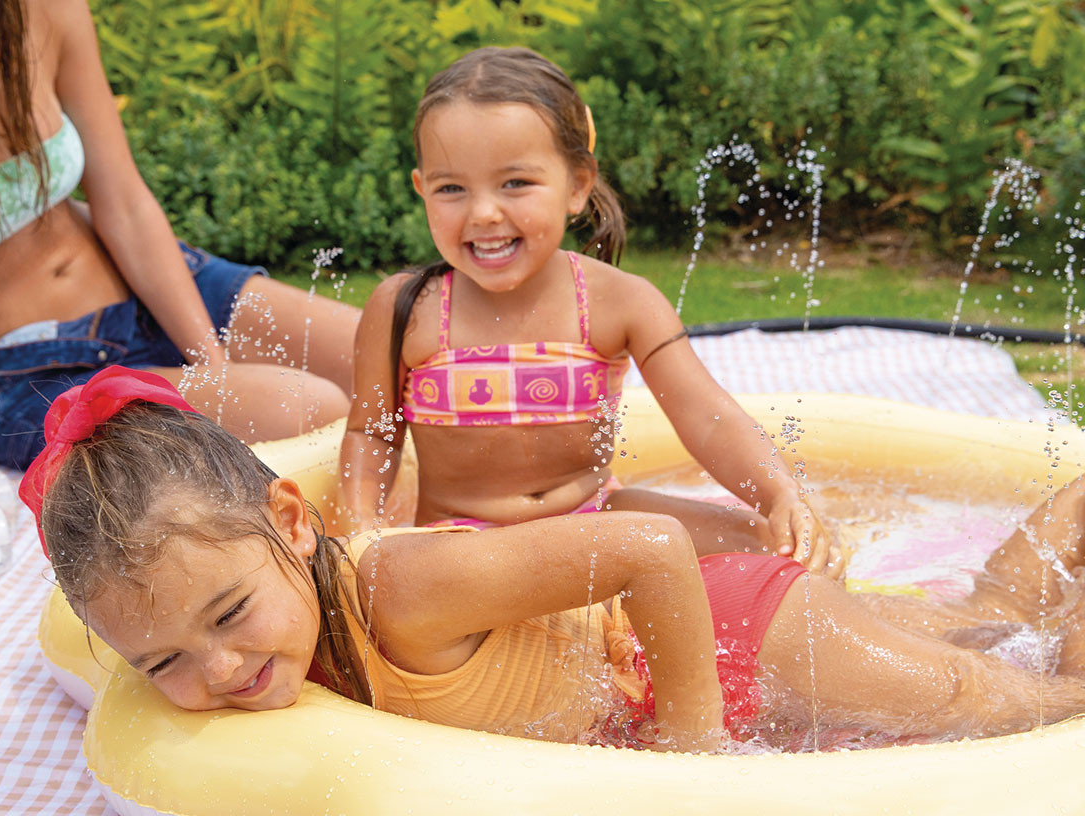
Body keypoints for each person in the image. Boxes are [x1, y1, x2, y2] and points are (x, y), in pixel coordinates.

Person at [23, 367, 1085, 753]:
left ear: (295, 525)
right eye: (161, 662)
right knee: (987, 625)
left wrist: (691, 747)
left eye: (226, 615)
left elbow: (650, 548)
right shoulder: (259, 625)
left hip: (736, 629)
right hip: (687, 653)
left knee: (1023, 702)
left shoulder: (400, 590)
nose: (215, 669)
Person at [339, 46, 839, 576]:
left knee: (779, 547)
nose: (483, 212)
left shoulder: (619, 300)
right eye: (451, 189)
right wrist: (364, 530)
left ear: (577, 184)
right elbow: (373, 433)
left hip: (595, 522)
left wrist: (780, 496)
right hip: (461, 544)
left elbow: (707, 418)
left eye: (515, 183)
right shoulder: (407, 308)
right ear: (422, 189)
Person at [0, 0, 358, 488]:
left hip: (153, 289)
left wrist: (212, 366)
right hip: (41, 373)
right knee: (314, 409)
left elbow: (125, 202)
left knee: (387, 357)